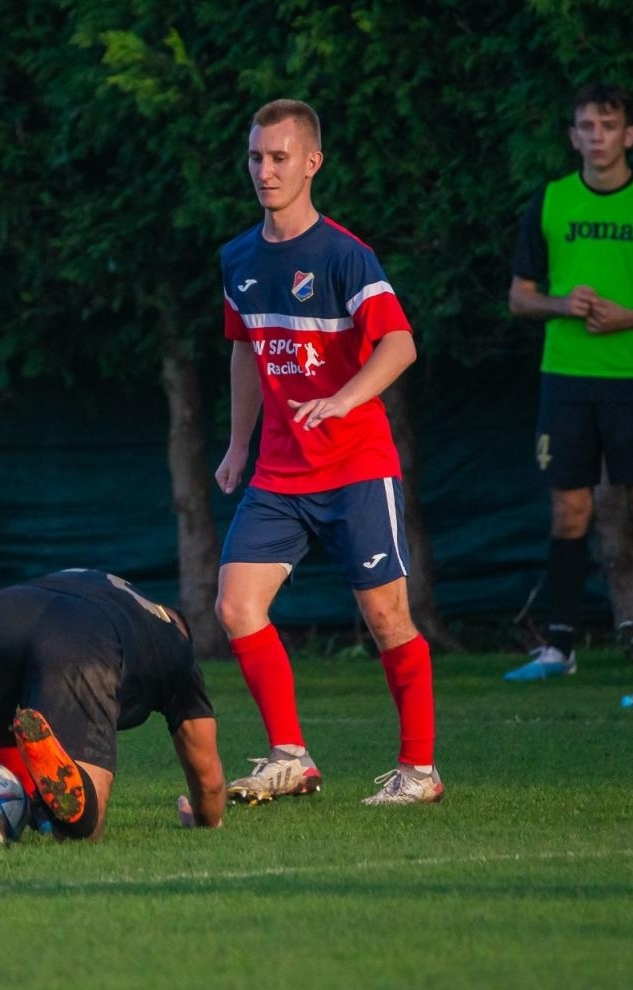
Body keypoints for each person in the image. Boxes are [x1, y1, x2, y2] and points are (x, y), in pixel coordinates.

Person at [213, 99, 442, 807]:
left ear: (312, 162)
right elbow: (247, 352)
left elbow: (400, 343)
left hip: (354, 468)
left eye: (279, 157)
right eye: (256, 156)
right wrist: (237, 445)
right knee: (235, 606)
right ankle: (291, 756)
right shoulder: (238, 257)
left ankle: (420, 770)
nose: (265, 170)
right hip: (279, 473)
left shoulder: (345, 254)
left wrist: (345, 398)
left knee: (386, 620)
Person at [504, 83, 633, 682]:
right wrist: (564, 303)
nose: (597, 136)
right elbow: (520, 298)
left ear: (630, 135)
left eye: (609, 125)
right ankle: (559, 647)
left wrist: (632, 317)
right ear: (573, 136)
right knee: (569, 511)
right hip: (565, 379)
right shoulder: (550, 202)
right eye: (587, 126)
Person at [0, 569, 226, 841]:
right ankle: (59, 775)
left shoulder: (110, 584)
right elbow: (208, 777)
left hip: (5, 609)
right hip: (86, 636)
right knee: (87, 824)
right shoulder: (176, 647)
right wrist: (206, 818)